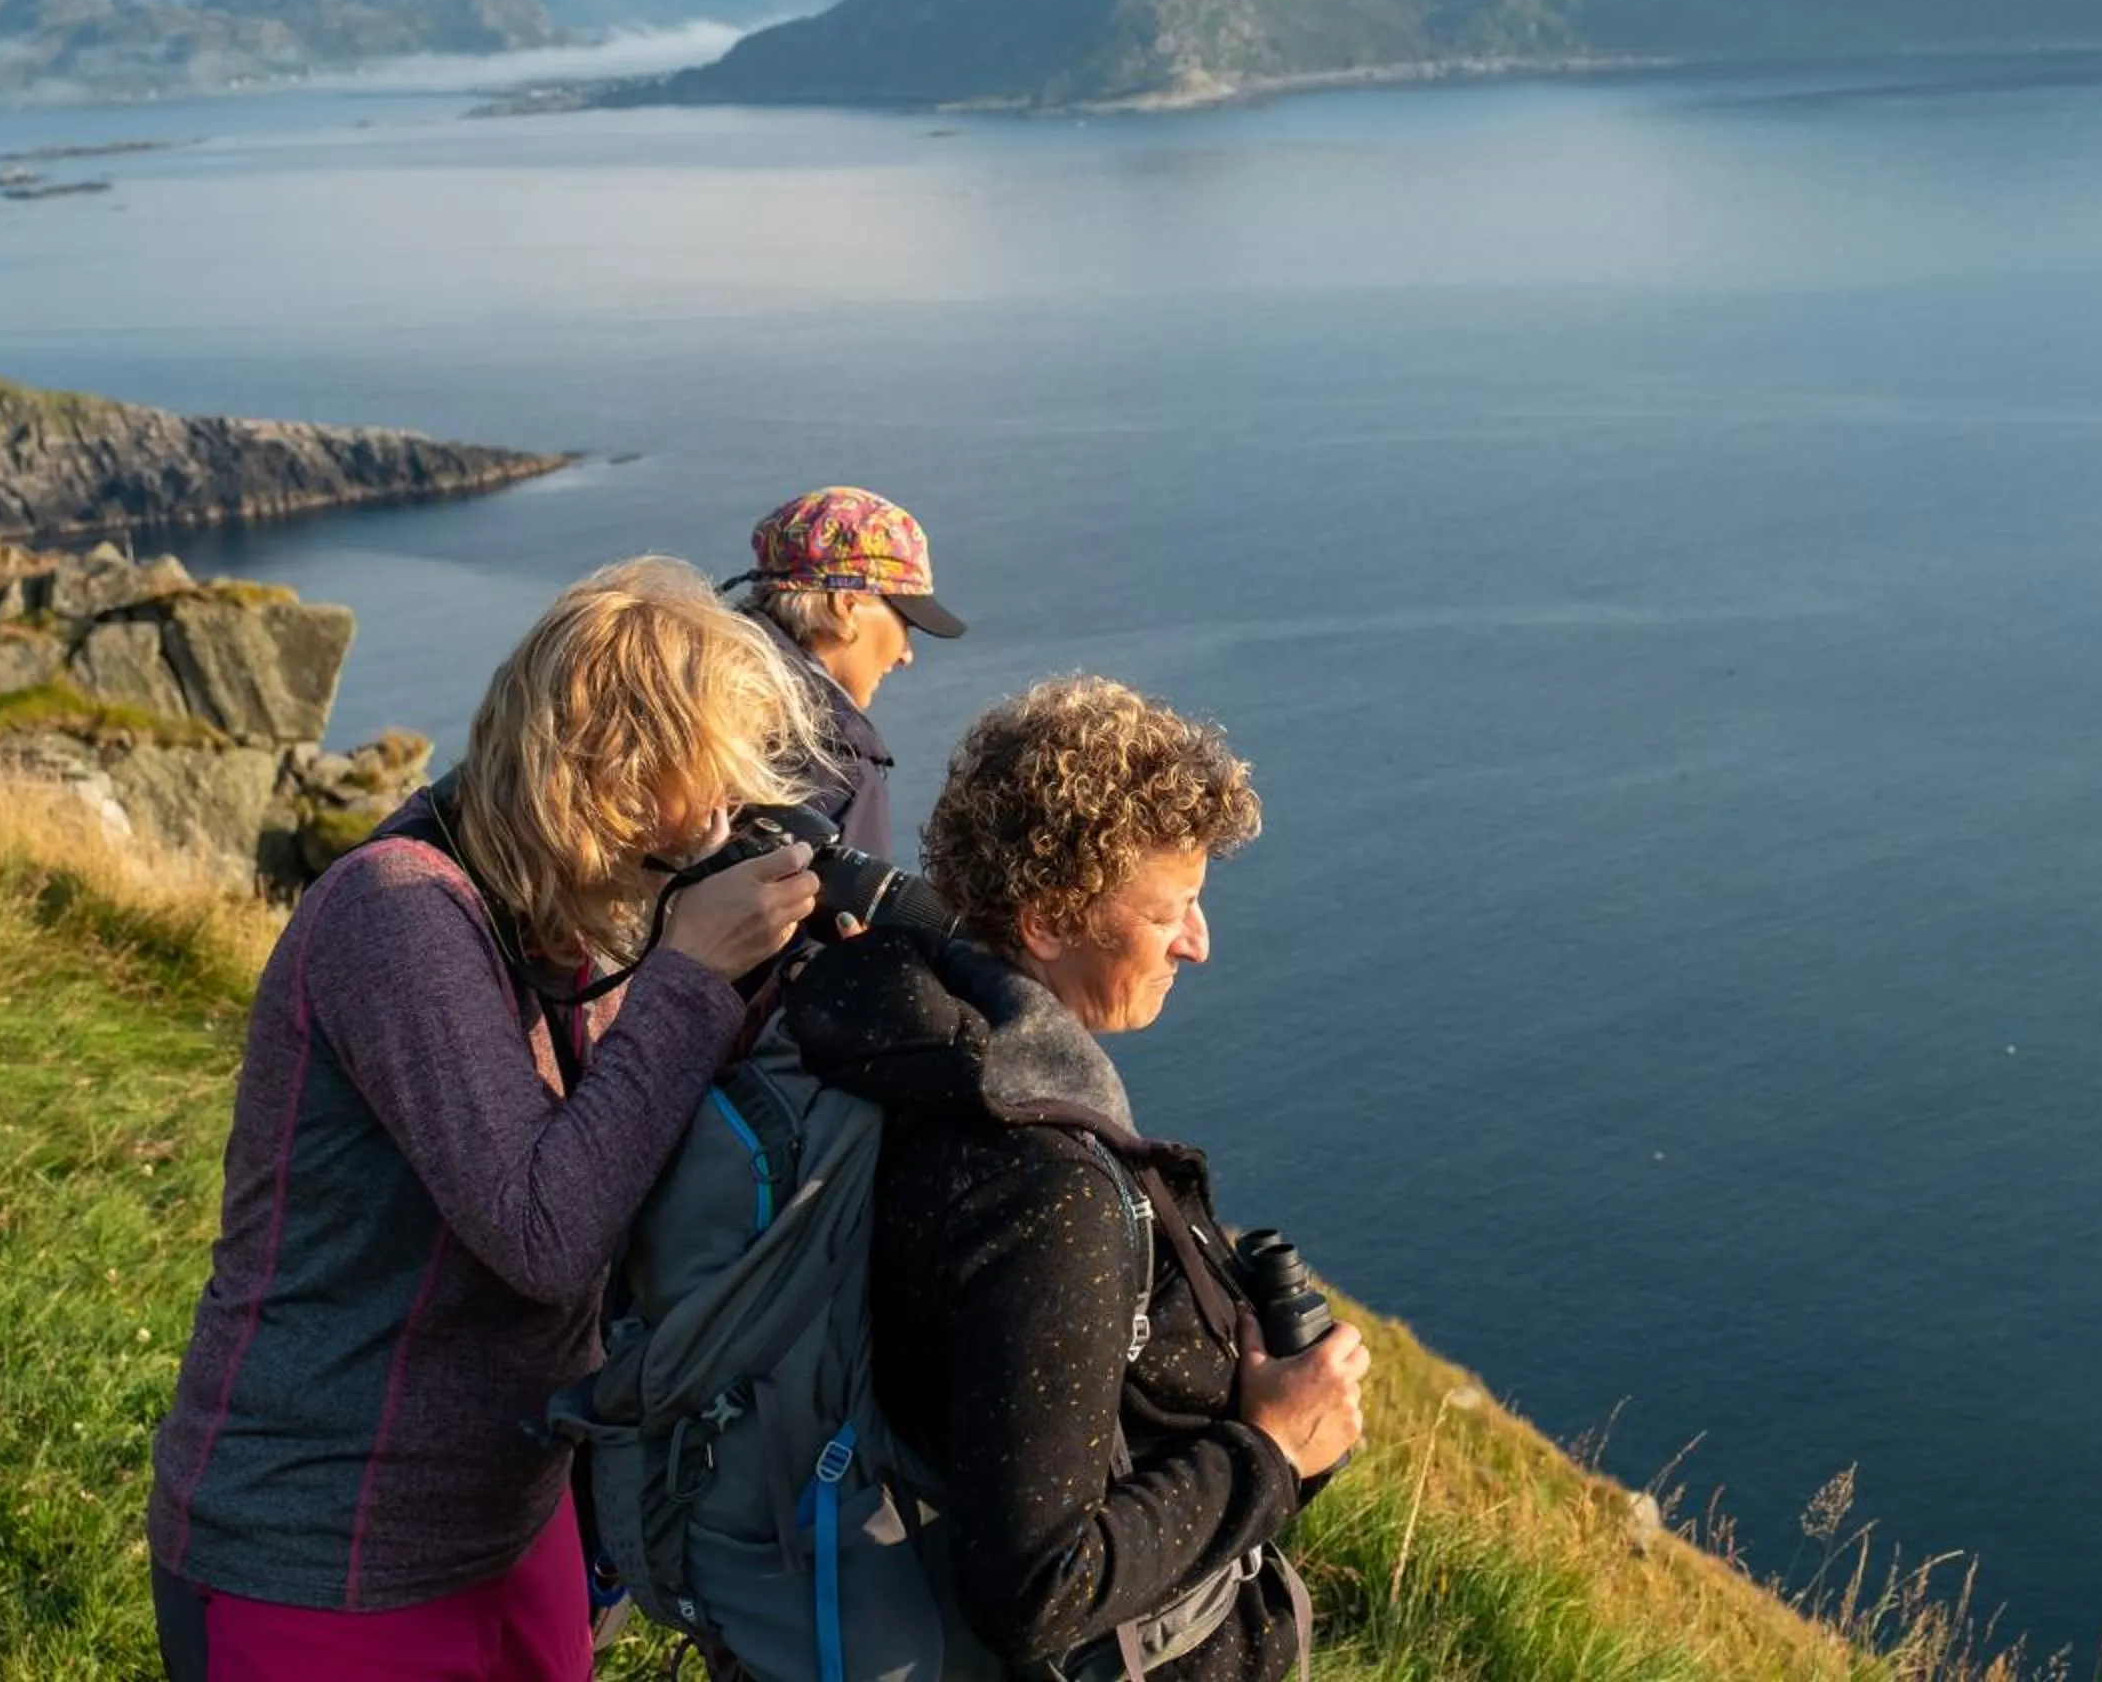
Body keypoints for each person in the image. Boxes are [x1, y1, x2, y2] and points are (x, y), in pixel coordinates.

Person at [146, 558, 829, 1682]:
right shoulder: (400, 912)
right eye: (698, 789)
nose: (714, 826)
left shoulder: (548, 912)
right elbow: (543, 1229)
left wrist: (766, 992)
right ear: (606, 772)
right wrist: (695, 975)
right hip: (322, 1550)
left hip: (506, 1523)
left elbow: (627, 1142)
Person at [785, 676, 1369, 1682]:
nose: (1199, 940)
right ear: (1050, 919)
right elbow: (1035, 1583)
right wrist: (1273, 1449)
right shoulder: (1049, 1192)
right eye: (1172, 908)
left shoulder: (902, 1038)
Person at [722, 485, 967, 859]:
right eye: (907, 623)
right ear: (846, 606)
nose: (906, 655)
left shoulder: (684, 679)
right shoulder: (836, 770)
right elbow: (849, 918)